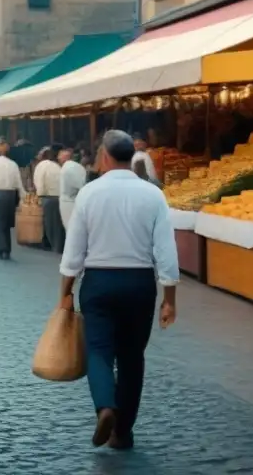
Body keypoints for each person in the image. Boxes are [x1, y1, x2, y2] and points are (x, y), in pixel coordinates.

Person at [58, 130, 179, 450]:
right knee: (131, 357)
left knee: (98, 350)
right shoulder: (153, 194)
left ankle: (105, 406)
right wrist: (169, 300)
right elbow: (166, 250)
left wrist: (65, 292)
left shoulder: (89, 193)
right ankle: (122, 432)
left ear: (105, 157)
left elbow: (74, 252)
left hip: (98, 282)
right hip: (139, 284)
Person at [0, 142, 26, 260]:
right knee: (7, 222)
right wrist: (24, 196)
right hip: (10, 194)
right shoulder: (13, 165)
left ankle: (1, 248)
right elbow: (18, 182)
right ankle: (7, 248)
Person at [33, 146, 63, 253]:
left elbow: (39, 182)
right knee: (57, 224)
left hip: (48, 197)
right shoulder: (56, 166)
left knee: (50, 224)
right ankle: (58, 244)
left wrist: (39, 195)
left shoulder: (41, 166)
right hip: (59, 196)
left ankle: (54, 246)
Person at [58, 146, 87, 230]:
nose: (58, 158)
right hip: (74, 201)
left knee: (71, 229)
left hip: (69, 203)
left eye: (60, 156)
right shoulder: (77, 166)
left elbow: (81, 185)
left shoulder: (68, 168)